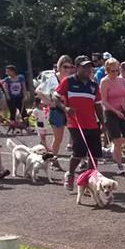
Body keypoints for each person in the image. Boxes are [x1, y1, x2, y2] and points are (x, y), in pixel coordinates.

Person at [53, 55, 103, 191]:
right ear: (77, 68)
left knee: (93, 156)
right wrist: (65, 108)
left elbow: (98, 106)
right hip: (76, 123)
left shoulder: (94, 85)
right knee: (79, 152)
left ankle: (89, 182)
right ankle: (70, 174)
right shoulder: (68, 82)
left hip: (92, 124)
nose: (88, 69)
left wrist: (103, 123)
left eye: (89, 67)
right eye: (84, 66)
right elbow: (55, 97)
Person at [99, 57, 125, 171]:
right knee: (118, 141)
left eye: (116, 70)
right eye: (111, 71)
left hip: (123, 110)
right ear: (107, 70)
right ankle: (119, 165)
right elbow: (103, 100)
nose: (114, 73)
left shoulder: (122, 80)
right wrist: (115, 111)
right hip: (111, 112)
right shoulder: (104, 82)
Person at [35, 55, 73, 158]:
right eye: (65, 67)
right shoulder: (52, 78)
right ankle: (53, 159)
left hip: (68, 110)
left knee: (75, 136)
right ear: (59, 66)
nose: (68, 69)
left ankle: (80, 160)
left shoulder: (71, 79)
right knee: (58, 138)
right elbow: (38, 91)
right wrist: (49, 102)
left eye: (70, 67)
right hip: (56, 110)